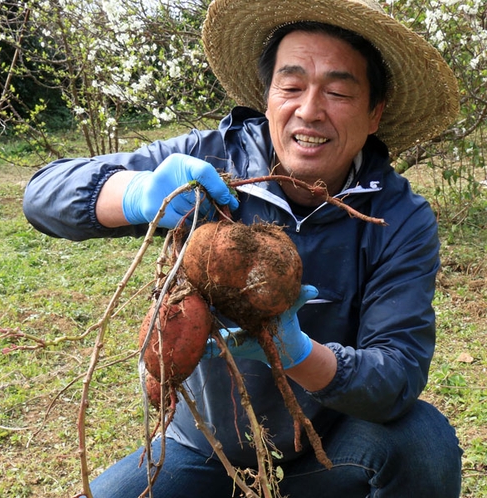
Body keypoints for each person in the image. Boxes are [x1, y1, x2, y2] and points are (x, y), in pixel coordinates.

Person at [23, 0, 463, 496]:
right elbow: (42, 194)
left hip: (328, 447)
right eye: (291, 87)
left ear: (374, 113)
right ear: (268, 97)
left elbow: (398, 375)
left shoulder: (398, 217)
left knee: (424, 440)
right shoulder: (209, 160)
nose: (310, 110)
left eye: (338, 91)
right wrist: (135, 194)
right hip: (202, 448)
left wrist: (296, 352)